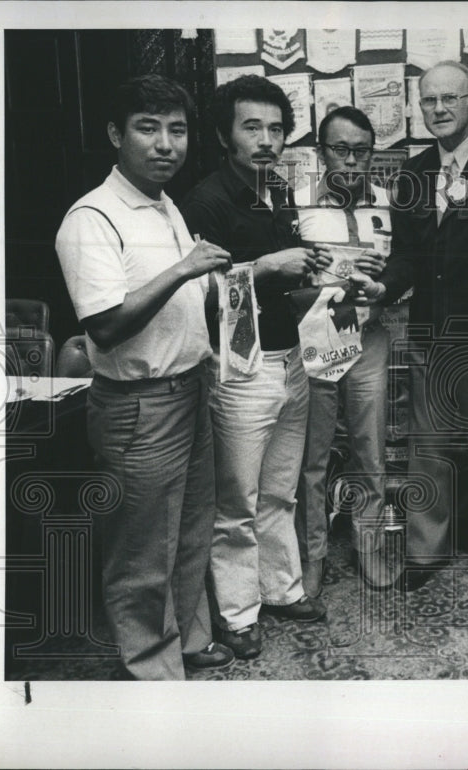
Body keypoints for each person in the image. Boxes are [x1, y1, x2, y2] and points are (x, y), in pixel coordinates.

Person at [54, 74, 234, 679]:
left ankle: (187, 641)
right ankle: (152, 673)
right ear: (115, 134)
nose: (166, 144)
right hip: (139, 406)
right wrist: (185, 268)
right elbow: (104, 326)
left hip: (189, 391)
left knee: (189, 534)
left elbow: (195, 293)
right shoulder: (92, 217)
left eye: (177, 130)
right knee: (140, 553)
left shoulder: (166, 205)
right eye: (148, 128)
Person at [352, 61, 468, 594]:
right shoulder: (413, 171)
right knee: (426, 450)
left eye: (450, 99)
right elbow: (408, 254)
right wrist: (386, 286)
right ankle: (425, 551)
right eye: (429, 101)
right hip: (430, 335)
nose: (439, 109)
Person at [180, 75, 323, 661]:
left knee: (280, 490)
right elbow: (200, 294)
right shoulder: (205, 200)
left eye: (275, 128)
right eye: (252, 127)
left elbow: (287, 280)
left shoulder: (278, 190)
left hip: (291, 360)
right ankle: (238, 615)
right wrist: (265, 266)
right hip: (240, 369)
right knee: (236, 500)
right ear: (223, 135)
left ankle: (281, 588)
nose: (266, 140)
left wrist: (328, 280)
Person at [294, 106, 395, 592]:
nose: (351, 162)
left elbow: (405, 269)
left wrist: (386, 283)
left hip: (369, 337)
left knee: (369, 450)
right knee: (312, 457)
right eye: (340, 150)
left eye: (361, 151)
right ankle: (311, 557)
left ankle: (369, 547)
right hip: (316, 339)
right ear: (321, 153)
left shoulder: (389, 201)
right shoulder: (296, 204)